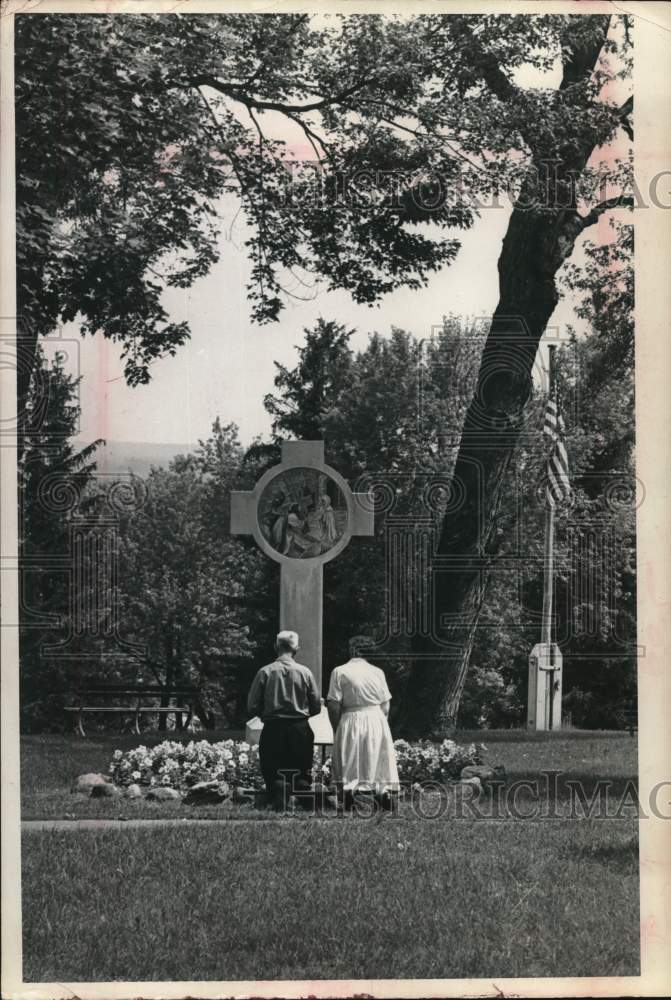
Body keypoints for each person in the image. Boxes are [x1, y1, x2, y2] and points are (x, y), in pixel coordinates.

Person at [247, 630, 321, 809]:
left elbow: (252, 705)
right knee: (301, 768)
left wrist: (265, 714)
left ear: (276, 647)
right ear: (297, 649)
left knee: (273, 767)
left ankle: (279, 792)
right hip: (300, 727)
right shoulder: (305, 673)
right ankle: (304, 797)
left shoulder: (265, 672)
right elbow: (316, 705)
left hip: (273, 726)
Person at [326, 639, 399, 810]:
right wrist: (380, 722)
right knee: (376, 756)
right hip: (376, 717)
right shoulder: (378, 672)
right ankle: (382, 792)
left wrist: (337, 726)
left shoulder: (340, 671)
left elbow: (333, 704)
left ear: (352, 650)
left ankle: (348, 792)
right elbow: (386, 705)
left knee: (350, 756)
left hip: (351, 717)